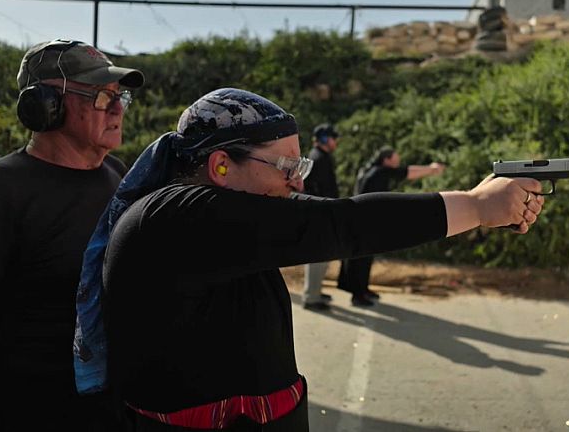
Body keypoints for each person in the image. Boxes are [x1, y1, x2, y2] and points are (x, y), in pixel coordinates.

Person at [77, 87, 543, 431]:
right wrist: (479, 206)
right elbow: (341, 225)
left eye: (300, 168)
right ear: (220, 166)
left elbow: (329, 220)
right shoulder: (173, 216)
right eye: (285, 168)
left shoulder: (210, 218)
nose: (297, 183)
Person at [0, 39, 144, 431]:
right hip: (33, 409)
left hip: (113, 406)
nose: (118, 108)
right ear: (44, 106)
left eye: (120, 97)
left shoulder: (116, 172)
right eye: (102, 97)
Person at [338, 146, 446, 306]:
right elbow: (408, 172)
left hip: (362, 220)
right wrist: (431, 169)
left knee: (365, 257)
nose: (398, 161)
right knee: (360, 259)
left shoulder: (371, 170)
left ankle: (363, 289)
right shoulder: (380, 171)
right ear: (386, 159)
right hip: (363, 222)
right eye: (395, 158)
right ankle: (357, 295)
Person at [301, 123, 340, 311]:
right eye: (333, 138)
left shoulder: (321, 157)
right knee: (317, 257)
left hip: (322, 212)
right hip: (319, 214)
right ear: (324, 139)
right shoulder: (318, 158)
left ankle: (315, 292)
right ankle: (311, 297)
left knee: (322, 257)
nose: (335, 142)